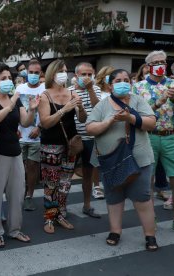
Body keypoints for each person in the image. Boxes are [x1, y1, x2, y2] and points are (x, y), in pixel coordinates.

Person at [86, 69, 158, 251]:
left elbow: (151, 122)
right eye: (118, 80)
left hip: (139, 159)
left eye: (126, 79)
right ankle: (115, 231)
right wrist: (109, 121)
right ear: (110, 85)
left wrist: (130, 118)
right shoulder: (102, 105)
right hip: (111, 161)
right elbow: (90, 128)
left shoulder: (137, 100)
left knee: (142, 198)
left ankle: (150, 236)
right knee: (114, 198)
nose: (123, 82)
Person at [0, 62, 38, 247]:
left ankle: (14, 229)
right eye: (3, 78)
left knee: (17, 193)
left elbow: (26, 122)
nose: (8, 81)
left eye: (9, 78)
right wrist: (10, 105)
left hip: (15, 151)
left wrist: (33, 109)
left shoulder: (16, 99)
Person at [133, 50, 174, 236]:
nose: (160, 64)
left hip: (171, 135)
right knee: (149, 180)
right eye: (156, 62)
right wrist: (158, 102)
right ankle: (150, 217)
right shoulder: (138, 87)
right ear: (148, 66)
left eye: (163, 61)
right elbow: (136, 115)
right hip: (148, 136)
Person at [38, 59, 86, 234]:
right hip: (51, 145)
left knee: (65, 182)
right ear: (52, 74)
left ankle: (61, 214)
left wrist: (80, 108)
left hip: (70, 144)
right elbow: (45, 123)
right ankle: (50, 217)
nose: (64, 74)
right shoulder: (45, 96)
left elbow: (82, 120)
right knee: (51, 182)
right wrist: (64, 109)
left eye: (66, 70)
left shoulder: (73, 93)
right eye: (60, 71)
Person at [69, 62, 103, 215]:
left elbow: (98, 108)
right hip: (75, 138)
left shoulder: (95, 89)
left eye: (90, 74)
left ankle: (87, 205)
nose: (87, 77)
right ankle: (59, 206)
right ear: (76, 76)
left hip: (91, 138)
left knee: (87, 174)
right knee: (66, 173)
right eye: (83, 74)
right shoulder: (68, 91)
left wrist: (90, 89)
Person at [16, 59, 45, 211]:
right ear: (26, 72)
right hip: (21, 135)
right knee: (20, 168)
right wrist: (16, 128)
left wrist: (39, 128)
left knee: (33, 167)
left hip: (36, 136)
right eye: (31, 72)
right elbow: (14, 107)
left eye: (36, 72)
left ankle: (29, 196)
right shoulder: (20, 88)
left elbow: (48, 112)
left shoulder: (45, 89)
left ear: (41, 73)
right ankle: (19, 193)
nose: (33, 75)